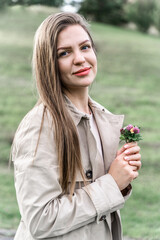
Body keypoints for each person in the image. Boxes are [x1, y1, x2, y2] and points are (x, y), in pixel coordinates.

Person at [11, 12, 141, 240]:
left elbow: (98, 203)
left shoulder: (101, 117)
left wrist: (122, 179)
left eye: (85, 47)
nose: (80, 59)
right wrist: (111, 184)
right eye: (65, 53)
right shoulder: (40, 127)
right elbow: (40, 220)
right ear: (49, 62)